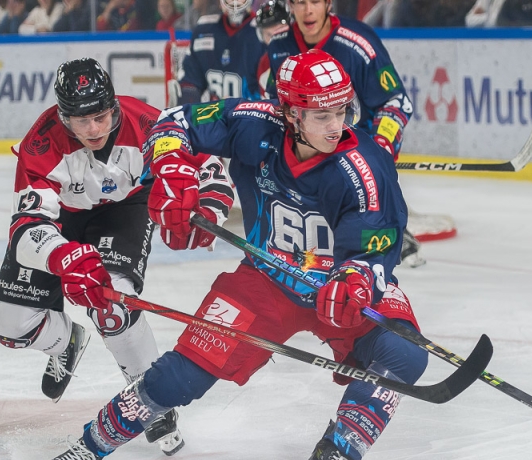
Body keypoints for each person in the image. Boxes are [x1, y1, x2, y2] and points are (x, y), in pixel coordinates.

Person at [42, 50, 429, 460]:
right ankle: (91, 444)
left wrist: (357, 277)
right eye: (322, 114)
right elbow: (171, 123)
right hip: (264, 281)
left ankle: (332, 456)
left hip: (335, 287)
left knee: (405, 355)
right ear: (290, 113)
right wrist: (174, 171)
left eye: (342, 111)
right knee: (180, 378)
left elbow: (379, 243)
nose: (336, 125)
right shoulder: (252, 123)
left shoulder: (364, 168)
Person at [0, 58, 229, 457]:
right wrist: (62, 256)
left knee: (114, 305)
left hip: (123, 210)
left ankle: (152, 399)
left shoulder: (147, 123)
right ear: (62, 115)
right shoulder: (42, 142)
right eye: (81, 121)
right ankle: (65, 342)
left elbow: (205, 166)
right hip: (59, 222)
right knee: (11, 327)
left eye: (101, 117)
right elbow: (26, 227)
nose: (94, 129)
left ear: (114, 105)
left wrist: (207, 208)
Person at [265, 0, 425, 266]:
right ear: (289, 5)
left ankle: (385, 227)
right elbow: (276, 102)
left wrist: (380, 148)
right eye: (299, 2)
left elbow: (395, 102)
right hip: (305, 147)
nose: (307, 11)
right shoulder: (279, 43)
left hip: (351, 151)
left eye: (315, 1)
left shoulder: (359, 43)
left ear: (328, 3)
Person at [170, 0, 265, 105]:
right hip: (217, 116)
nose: (234, 1)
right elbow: (190, 82)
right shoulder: (204, 29)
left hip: (254, 116)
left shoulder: (264, 31)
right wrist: (186, 105)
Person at [254, 0, 290, 98]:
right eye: (269, 35)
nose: (275, 39)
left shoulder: (306, 48)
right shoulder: (264, 63)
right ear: (261, 36)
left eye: (280, 31)